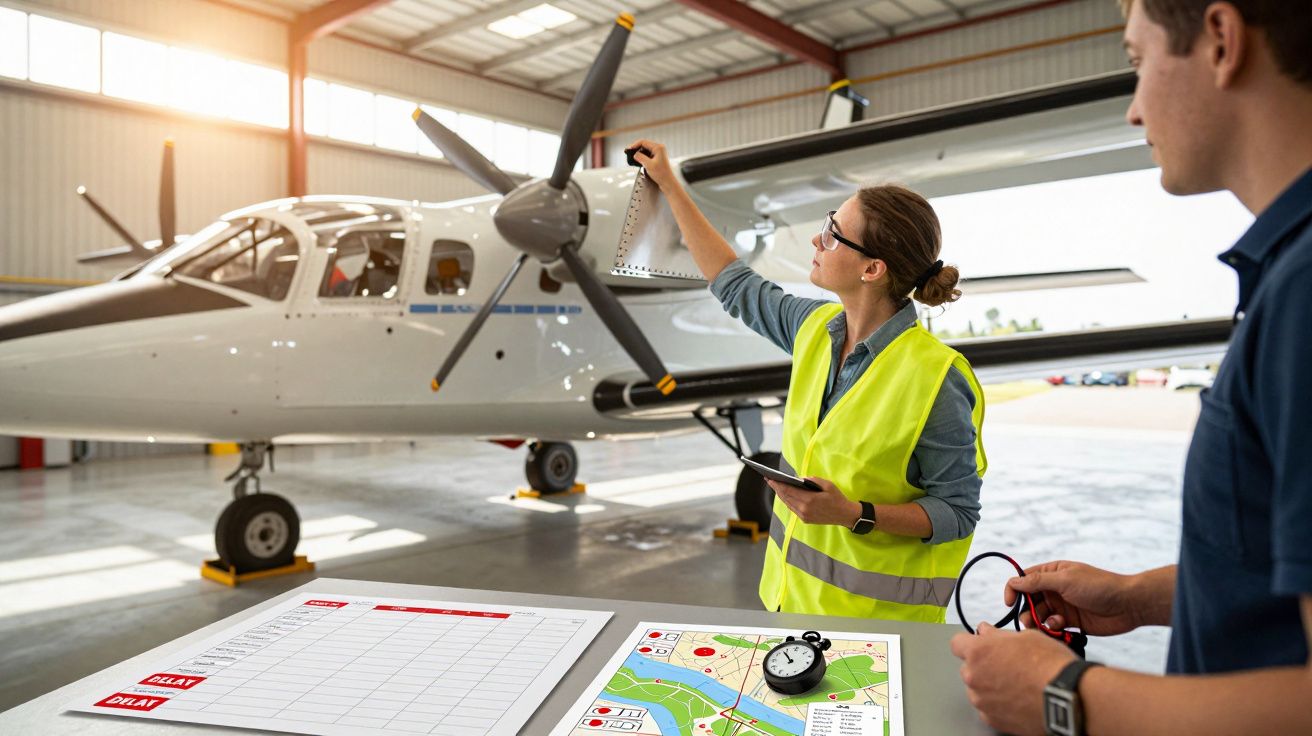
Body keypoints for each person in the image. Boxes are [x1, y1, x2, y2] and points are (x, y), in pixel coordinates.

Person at [950, 0, 1312, 733]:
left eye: (1138, 63)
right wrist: (1135, 595)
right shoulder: (1287, 275)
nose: (1133, 111)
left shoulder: (1307, 290)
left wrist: (1067, 697)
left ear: (1220, 40)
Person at [631, 138, 987, 623]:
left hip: (877, 636)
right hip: (789, 609)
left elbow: (958, 512)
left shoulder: (936, 378)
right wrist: (670, 186)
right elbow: (733, 282)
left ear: (872, 269)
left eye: (834, 233)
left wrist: (854, 513)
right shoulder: (813, 328)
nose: (818, 241)